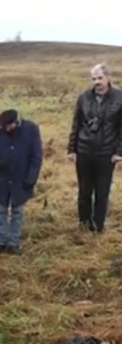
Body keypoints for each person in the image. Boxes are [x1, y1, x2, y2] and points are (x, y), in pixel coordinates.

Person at [67, 63, 122, 233]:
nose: (96, 82)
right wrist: (71, 149)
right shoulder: (84, 97)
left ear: (108, 78)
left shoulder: (119, 98)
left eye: (99, 78)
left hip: (106, 153)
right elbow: (76, 123)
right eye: (94, 79)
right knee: (84, 191)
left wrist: (119, 152)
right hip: (84, 151)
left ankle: (98, 227)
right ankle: (84, 225)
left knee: (102, 192)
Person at [0, 109, 42, 255]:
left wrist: (31, 178)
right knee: (0, 210)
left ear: (16, 122)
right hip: (1, 178)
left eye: (7, 126)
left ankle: (14, 243)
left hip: (21, 178)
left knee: (18, 211)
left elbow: (36, 156)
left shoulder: (31, 129)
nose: (5, 129)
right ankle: (0, 241)